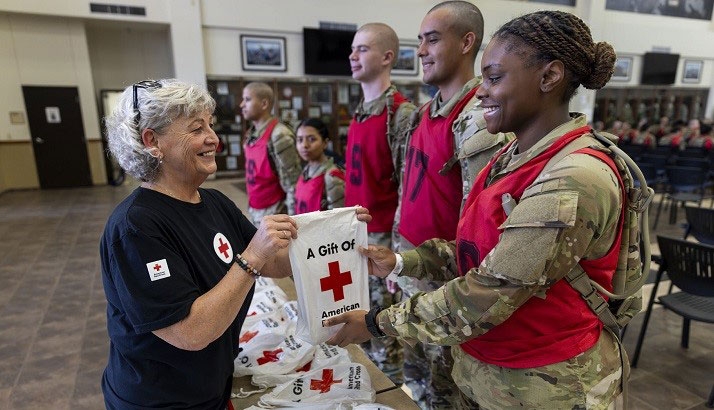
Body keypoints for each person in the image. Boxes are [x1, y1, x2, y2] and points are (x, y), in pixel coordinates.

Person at [326, 10, 630, 409]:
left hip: (547, 388)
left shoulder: (574, 177)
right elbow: (477, 249)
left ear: (549, 77)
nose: (481, 92)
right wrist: (403, 261)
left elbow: (490, 289)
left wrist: (374, 323)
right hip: (490, 373)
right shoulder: (510, 156)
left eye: (494, 78)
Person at [100, 78, 369, 409]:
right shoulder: (136, 227)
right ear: (152, 141)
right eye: (197, 129)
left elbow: (274, 262)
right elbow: (190, 332)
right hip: (160, 400)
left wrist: (339, 238)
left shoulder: (214, 202)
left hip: (211, 386)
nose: (213, 138)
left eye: (210, 126)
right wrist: (251, 257)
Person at [393, 2, 509, 408]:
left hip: (445, 283)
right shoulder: (424, 112)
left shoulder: (478, 118)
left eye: (432, 39)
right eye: (419, 41)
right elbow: (409, 190)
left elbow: (482, 222)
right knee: (415, 376)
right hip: (411, 266)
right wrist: (395, 258)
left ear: (466, 42)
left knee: (445, 387)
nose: (421, 50)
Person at [345, 22, 417, 384]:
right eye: (353, 49)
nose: (352, 55)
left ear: (388, 57)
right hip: (355, 235)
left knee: (382, 329)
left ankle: (387, 392)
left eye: (363, 49)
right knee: (359, 320)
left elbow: (408, 188)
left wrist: (398, 260)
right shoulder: (361, 110)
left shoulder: (402, 115)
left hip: (384, 243)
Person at [241, 81, 302, 226]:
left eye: (247, 100)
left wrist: (295, 222)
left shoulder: (279, 135)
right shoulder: (251, 134)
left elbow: (293, 183)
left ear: (264, 104)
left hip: (275, 212)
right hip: (255, 208)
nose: (242, 105)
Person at [294, 118, 345, 214]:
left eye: (311, 139)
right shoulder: (305, 171)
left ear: (325, 143)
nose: (304, 145)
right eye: (300, 140)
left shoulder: (332, 177)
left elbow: (338, 221)